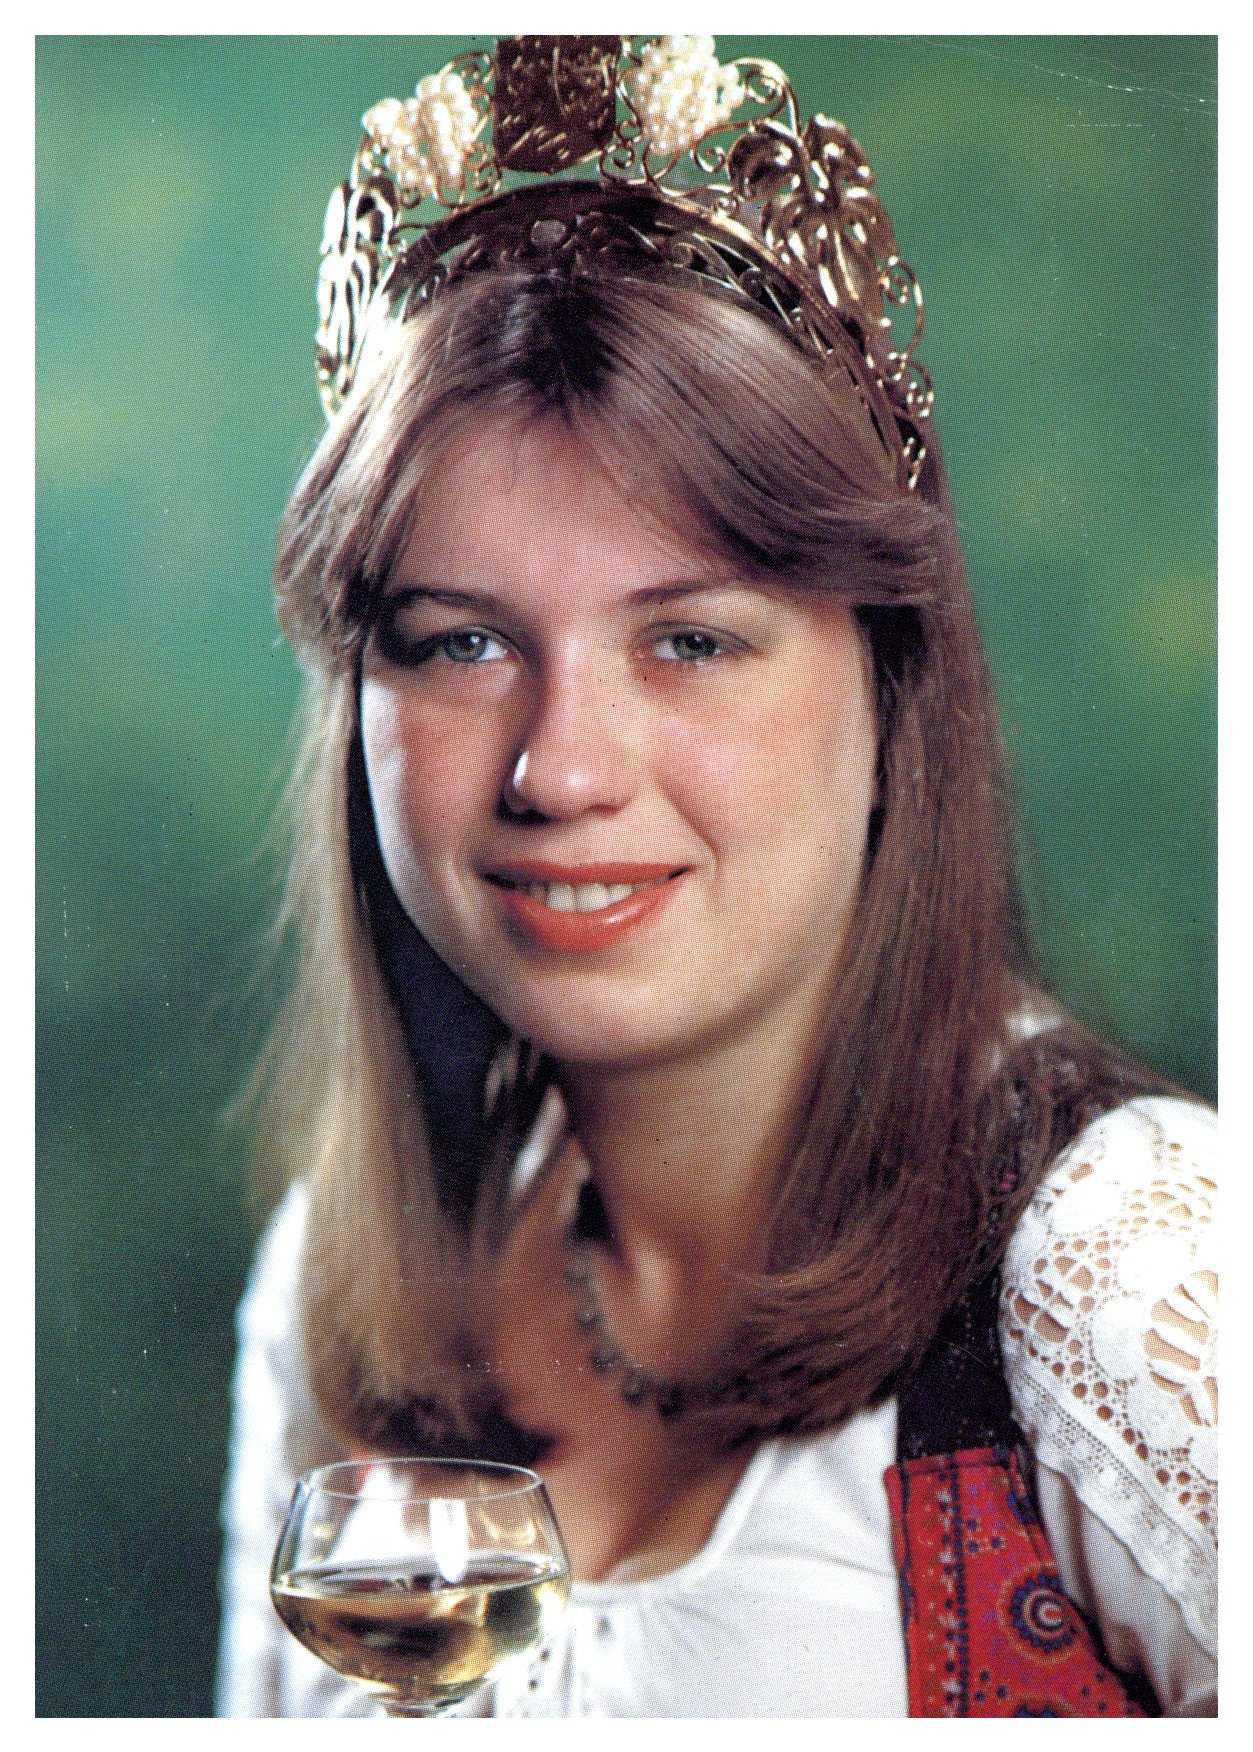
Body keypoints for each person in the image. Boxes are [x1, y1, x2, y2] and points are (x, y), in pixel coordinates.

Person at [216, 36, 1217, 1717]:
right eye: (458, 643)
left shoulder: (1138, 1276)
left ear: (889, 687)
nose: (560, 771)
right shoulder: (343, 1283)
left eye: (687, 641)